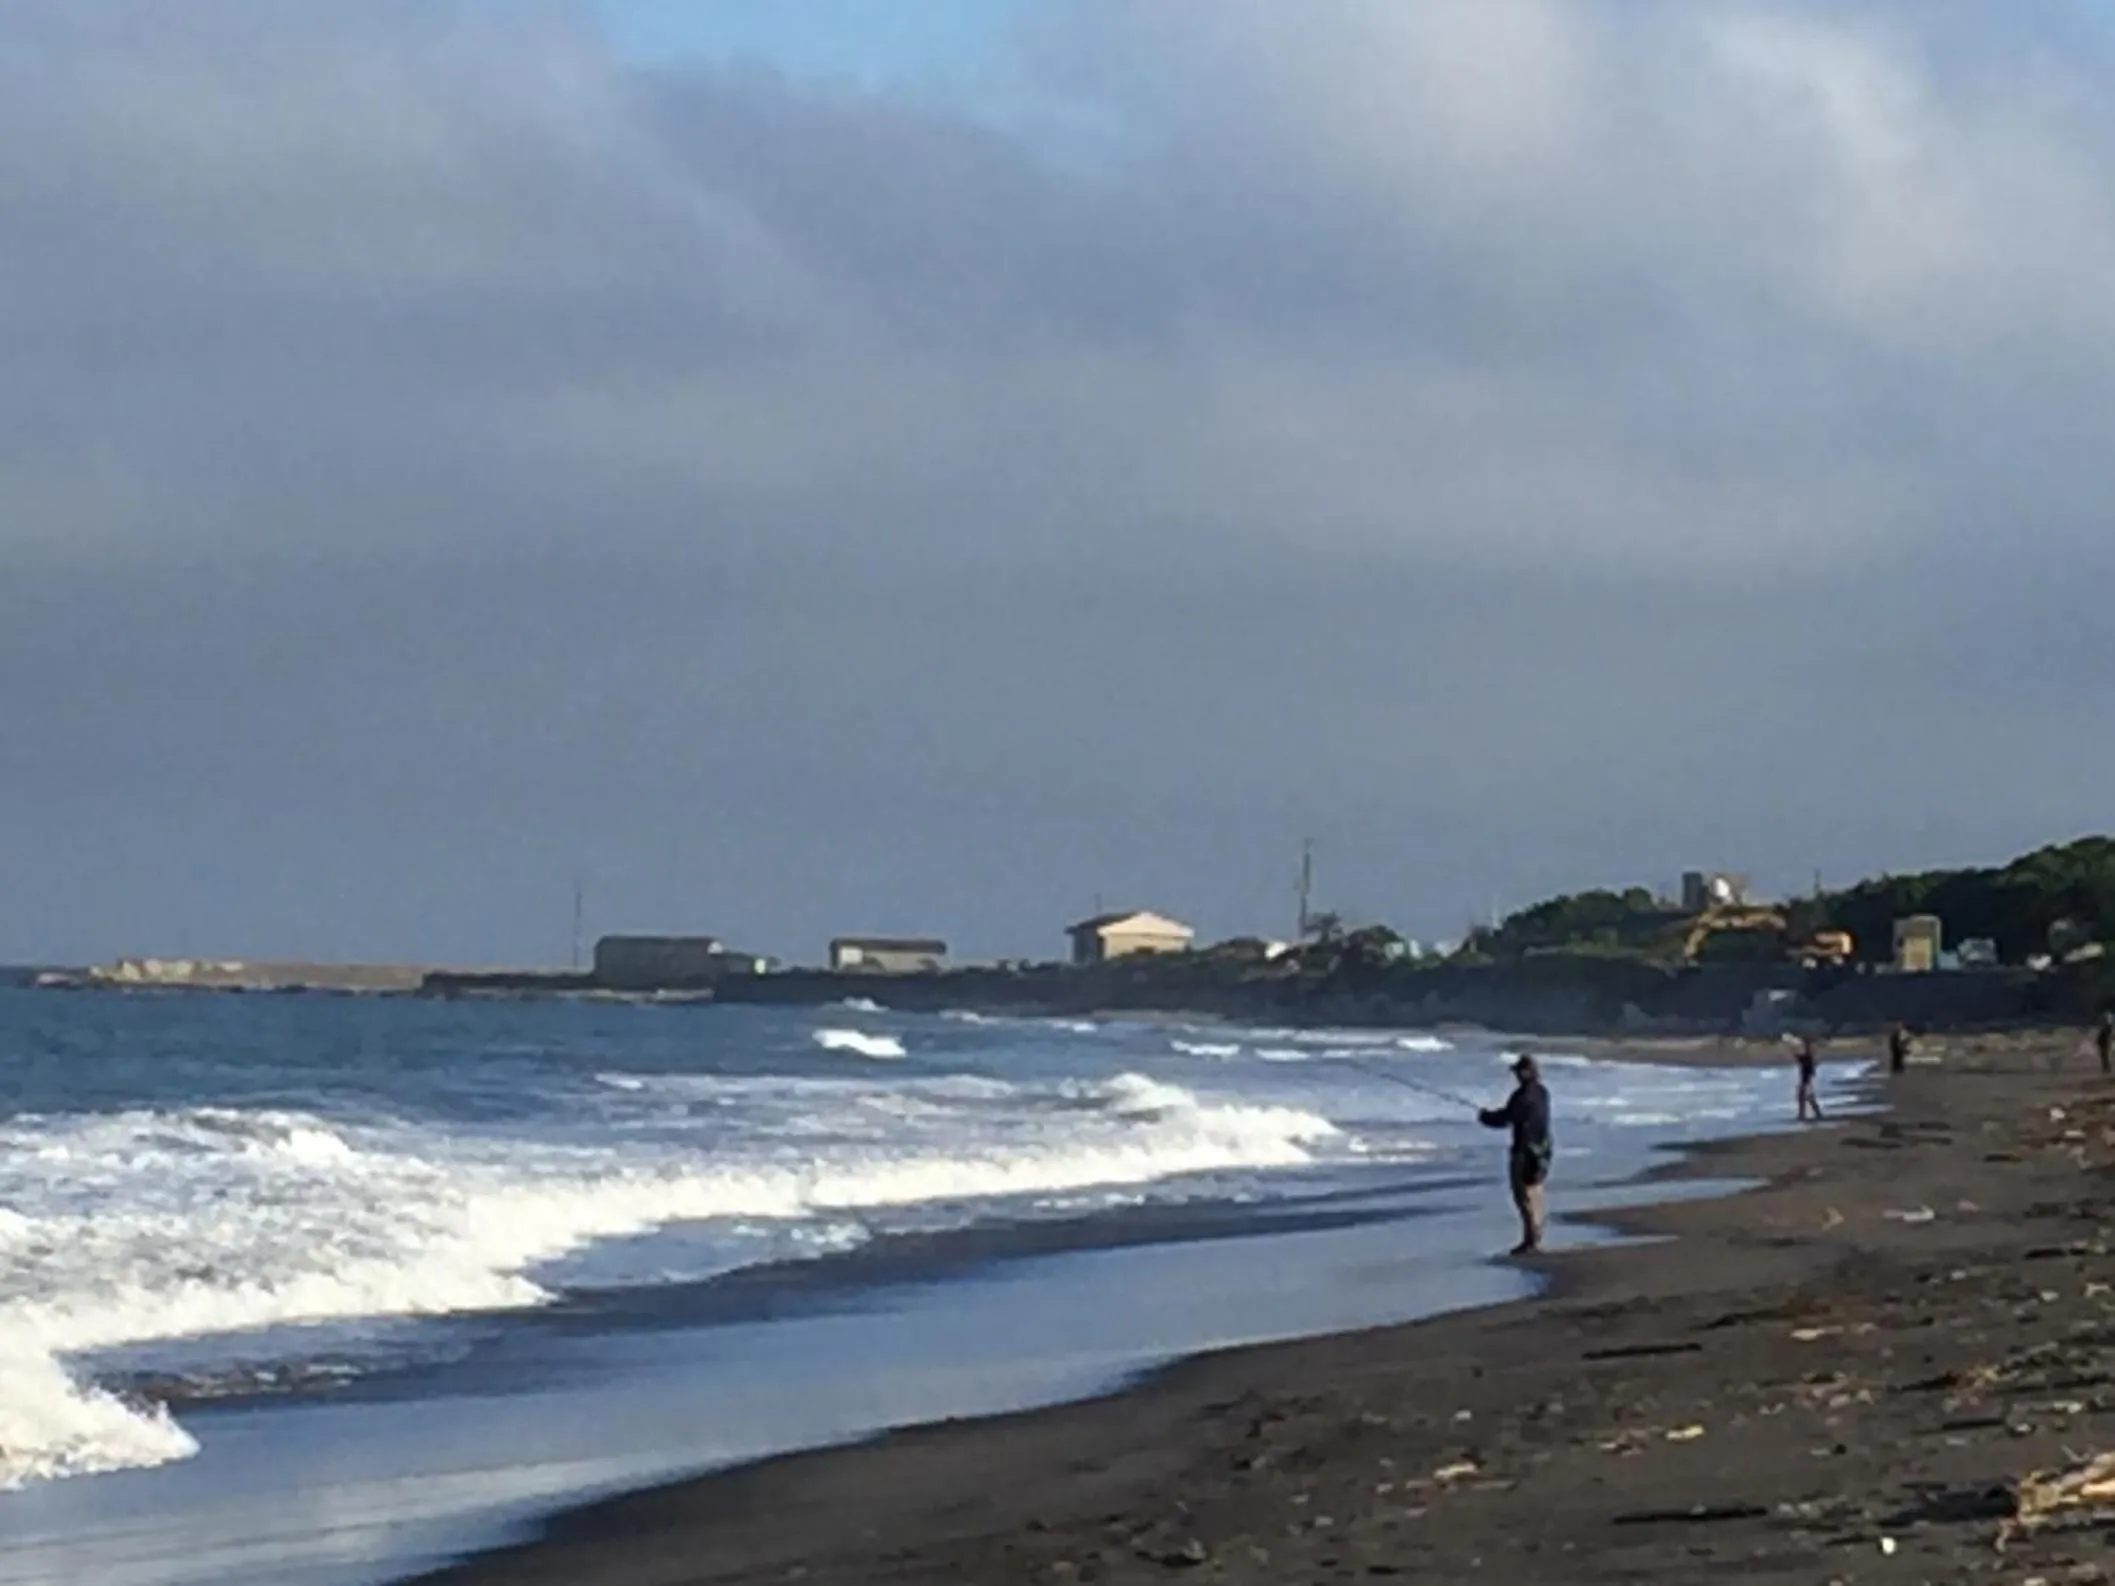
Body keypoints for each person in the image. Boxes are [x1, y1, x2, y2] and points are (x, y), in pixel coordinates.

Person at [1480, 1054, 1553, 1256]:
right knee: (1535, 1192)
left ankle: (1530, 1239)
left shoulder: (1522, 1096)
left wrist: (1485, 1116)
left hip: (1524, 1150)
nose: (1516, 1076)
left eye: (1519, 1071)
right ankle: (1535, 1235)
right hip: (1544, 1148)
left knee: (1522, 1195)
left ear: (1527, 1072)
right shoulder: (1542, 1093)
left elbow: (1505, 1119)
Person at [1795, 1035, 1825, 1121]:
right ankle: (1813, 1114)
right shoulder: (1809, 1058)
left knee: (1804, 1097)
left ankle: (1804, 1114)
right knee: (1807, 1097)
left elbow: (1799, 1058)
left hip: (1806, 1081)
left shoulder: (1807, 1058)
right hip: (1807, 1081)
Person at [2097, 1011, 2114, 1077]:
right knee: (2106, 1057)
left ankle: (2107, 1068)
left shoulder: (2105, 1032)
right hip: (2105, 1045)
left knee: (2106, 1057)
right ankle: (2106, 1068)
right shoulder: (2105, 1032)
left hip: (2105, 1045)